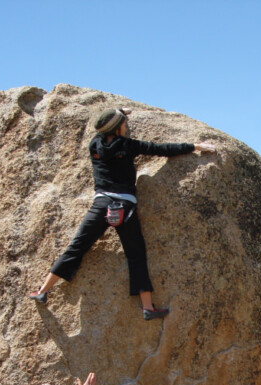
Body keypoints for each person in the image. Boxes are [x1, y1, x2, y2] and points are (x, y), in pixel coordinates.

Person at [29, 107, 216, 320]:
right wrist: (195, 146)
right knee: (135, 255)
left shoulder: (94, 144)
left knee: (76, 248)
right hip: (125, 208)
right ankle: (148, 308)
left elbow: (103, 125)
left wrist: (119, 112)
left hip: (100, 206)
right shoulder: (128, 146)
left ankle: (42, 291)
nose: (127, 127)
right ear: (118, 129)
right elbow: (162, 149)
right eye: (124, 124)